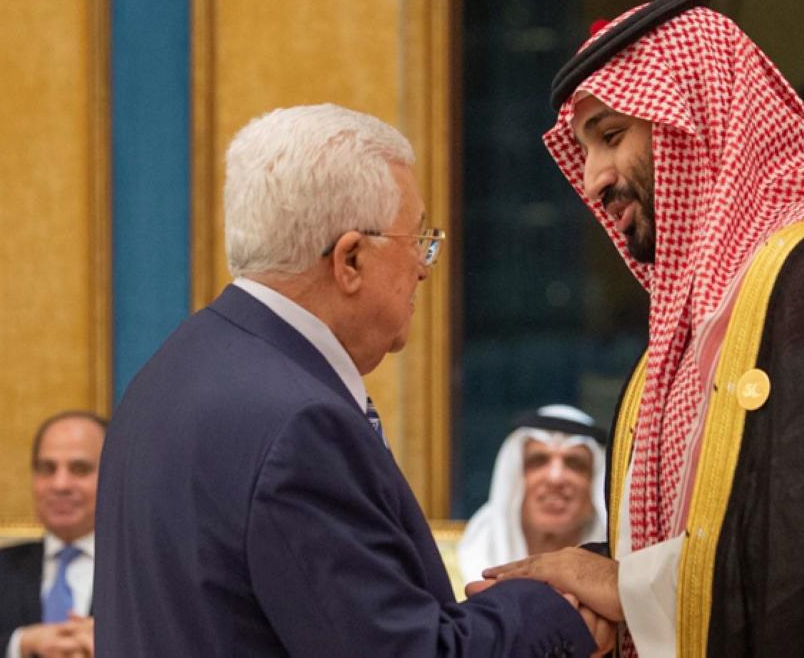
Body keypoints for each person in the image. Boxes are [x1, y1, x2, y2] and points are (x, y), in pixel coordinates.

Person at [484, 0, 804, 656]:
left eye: (610, 136)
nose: (593, 179)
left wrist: (619, 585)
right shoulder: (683, 331)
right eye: (583, 149)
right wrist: (568, 590)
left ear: (698, 117)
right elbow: (694, 535)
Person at [94, 104, 612, 657]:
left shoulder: (168, 372)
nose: (424, 266)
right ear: (350, 261)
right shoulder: (299, 424)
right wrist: (557, 605)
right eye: (418, 239)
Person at [0, 411, 104, 658]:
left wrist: (116, 645)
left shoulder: (145, 573)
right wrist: (18, 645)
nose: (60, 485)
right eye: (47, 468)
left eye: (79, 469)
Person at [457, 404, 606, 585]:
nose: (555, 478)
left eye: (574, 464)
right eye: (538, 461)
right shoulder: (459, 565)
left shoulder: (618, 572)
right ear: (513, 479)